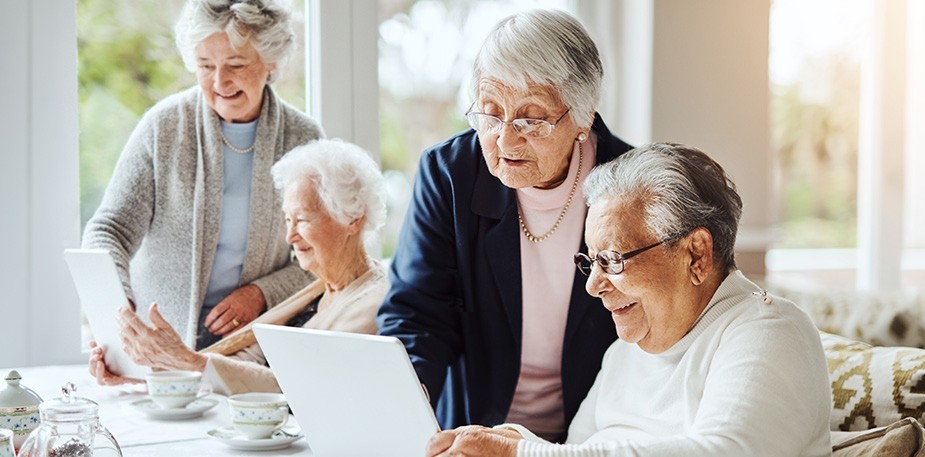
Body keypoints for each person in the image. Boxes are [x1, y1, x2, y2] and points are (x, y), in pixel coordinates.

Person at [425, 143, 833, 457]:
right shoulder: (627, 351)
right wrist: (513, 439)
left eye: (614, 259)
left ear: (697, 254)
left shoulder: (769, 332)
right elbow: (574, 451)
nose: (593, 285)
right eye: (592, 261)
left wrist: (522, 451)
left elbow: (721, 453)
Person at [377, 9, 633, 441]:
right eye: (491, 113)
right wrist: (410, 394)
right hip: (476, 429)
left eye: (531, 118)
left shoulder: (632, 183)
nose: (505, 139)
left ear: (584, 115)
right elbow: (418, 312)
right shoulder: (450, 175)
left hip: (595, 433)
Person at [82, 0, 324, 350]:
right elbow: (109, 230)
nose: (219, 81)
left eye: (235, 64)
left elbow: (326, 257)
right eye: (205, 65)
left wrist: (261, 294)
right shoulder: (163, 127)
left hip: (255, 346)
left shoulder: (304, 139)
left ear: (270, 62)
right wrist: (118, 312)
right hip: (159, 342)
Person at [89, 139, 389, 395]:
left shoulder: (377, 303)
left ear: (353, 218)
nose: (290, 236)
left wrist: (186, 362)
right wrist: (144, 370)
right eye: (287, 220)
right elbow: (245, 361)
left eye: (303, 220)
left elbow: (303, 388)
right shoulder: (316, 291)